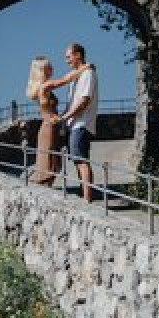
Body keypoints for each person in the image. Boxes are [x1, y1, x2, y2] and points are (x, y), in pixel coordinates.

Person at [43, 43, 98, 202]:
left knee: (81, 161)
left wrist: (66, 116)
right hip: (74, 124)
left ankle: (87, 200)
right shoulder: (77, 75)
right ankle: (86, 196)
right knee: (79, 160)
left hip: (81, 123)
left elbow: (84, 101)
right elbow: (73, 99)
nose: (66, 60)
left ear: (78, 55)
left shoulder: (87, 74)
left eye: (69, 56)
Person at [26, 56, 61, 185]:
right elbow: (65, 80)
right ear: (43, 70)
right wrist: (84, 69)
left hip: (50, 126)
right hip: (49, 127)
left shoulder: (43, 86)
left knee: (52, 163)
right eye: (49, 67)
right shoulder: (45, 86)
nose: (52, 69)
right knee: (48, 165)